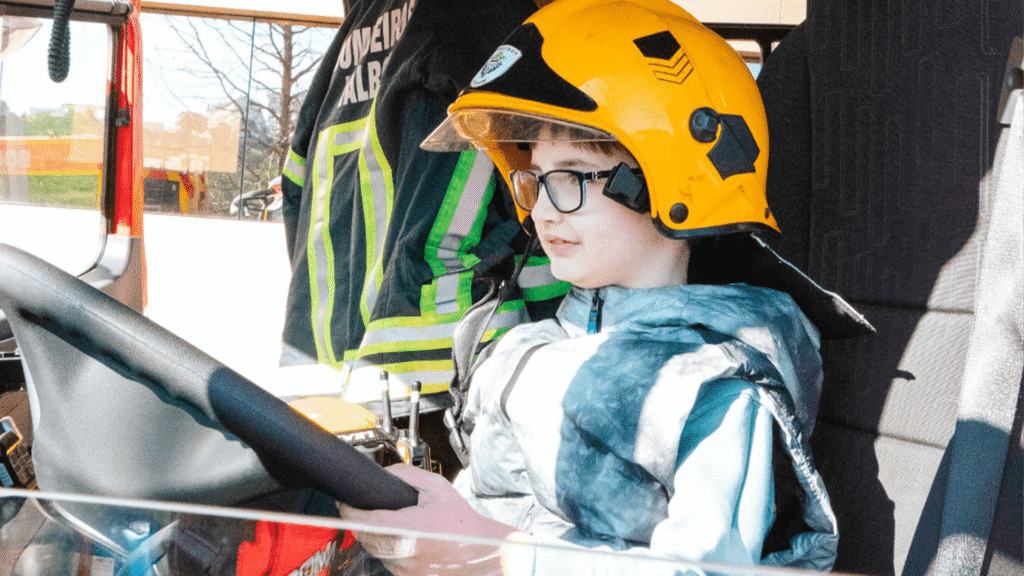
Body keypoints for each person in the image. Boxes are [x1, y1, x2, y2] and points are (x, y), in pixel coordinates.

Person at [340, 0, 868, 573]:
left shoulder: (714, 388)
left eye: (567, 177)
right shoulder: (524, 350)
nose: (541, 208)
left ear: (667, 179)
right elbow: (490, 508)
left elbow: (703, 569)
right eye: (531, 179)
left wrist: (493, 558)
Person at [279, 0, 570, 419]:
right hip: (438, 369)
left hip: (315, 368)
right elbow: (537, 188)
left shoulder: (357, 28)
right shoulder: (485, 13)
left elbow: (294, 187)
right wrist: (564, 329)